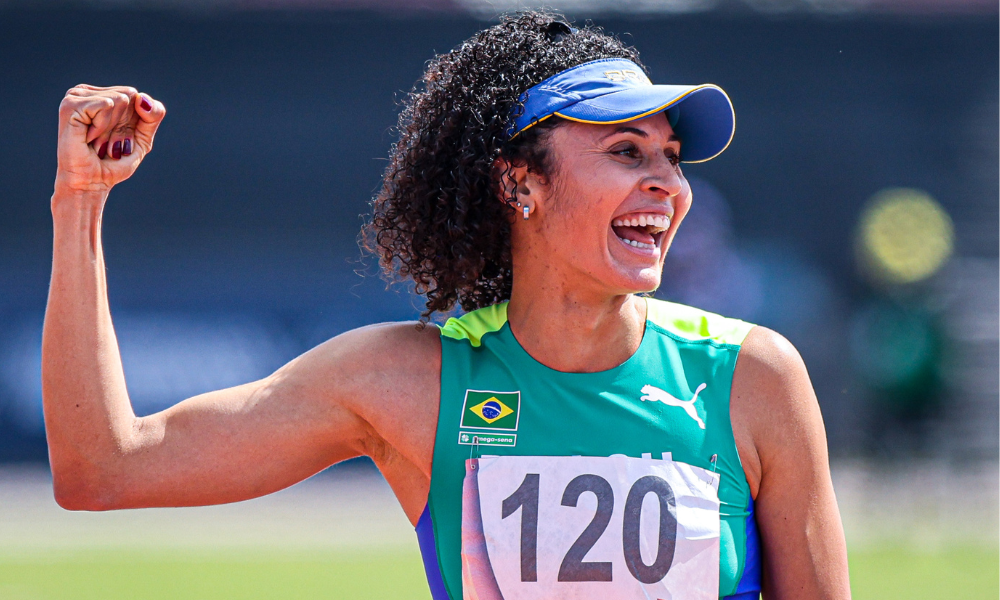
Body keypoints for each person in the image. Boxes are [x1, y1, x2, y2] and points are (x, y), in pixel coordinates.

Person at [43, 11, 850, 600]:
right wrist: (79, 202)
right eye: (625, 152)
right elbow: (103, 469)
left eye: (670, 158)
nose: (667, 186)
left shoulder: (753, 377)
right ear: (518, 183)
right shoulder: (409, 383)